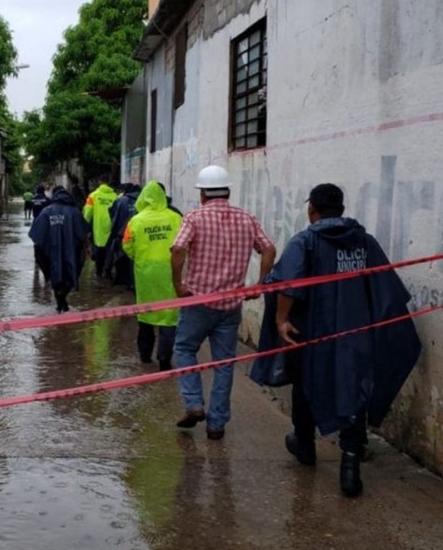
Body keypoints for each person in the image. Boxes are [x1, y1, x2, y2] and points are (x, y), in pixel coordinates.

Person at [251, 183, 421, 497]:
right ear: (340, 210)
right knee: (354, 393)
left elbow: (288, 283)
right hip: (356, 337)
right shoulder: (365, 243)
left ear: (311, 210)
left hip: (313, 335)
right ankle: (350, 469)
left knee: (305, 387)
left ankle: (305, 447)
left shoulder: (306, 241)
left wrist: (281, 320)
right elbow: (386, 288)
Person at [170, 165, 276, 440]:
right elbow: (268, 249)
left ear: (203, 193)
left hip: (198, 303)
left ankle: (194, 403)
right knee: (224, 364)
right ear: (227, 191)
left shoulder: (194, 217)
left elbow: (179, 249)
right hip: (231, 306)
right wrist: (260, 285)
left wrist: (178, 284)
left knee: (183, 348)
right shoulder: (247, 218)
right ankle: (216, 423)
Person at [122, 182, 183, 370]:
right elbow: (184, 243)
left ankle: (145, 356)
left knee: (146, 315)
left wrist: (140, 257)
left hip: (145, 273)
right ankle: (165, 359)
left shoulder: (136, 221)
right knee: (169, 317)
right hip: (170, 272)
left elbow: (127, 246)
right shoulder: (176, 218)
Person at [29, 186, 91, 313]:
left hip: (51, 252)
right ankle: (62, 302)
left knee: (55, 276)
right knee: (69, 275)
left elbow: (37, 234)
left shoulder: (47, 211)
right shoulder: (74, 212)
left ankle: (60, 303)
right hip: (71, 252)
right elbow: (82, 234)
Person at [83, 174, 118, 277]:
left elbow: (88, 213)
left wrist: (84, 227)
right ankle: (107, 271)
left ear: (99, 182)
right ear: (108, 182)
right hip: (111, 226)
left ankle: (99, 271)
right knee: (110, 250)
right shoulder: (115, 196)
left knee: (99, 250)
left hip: (98, 228)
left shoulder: (93, 195)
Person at [108, 183, 141, 289]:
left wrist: (114, 234)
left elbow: (114, 217)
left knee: (122, 260)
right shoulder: (143, 201)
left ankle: (126, 282)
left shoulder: (120, 201)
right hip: (139, 237)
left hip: (122, 235)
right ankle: (132, 284)